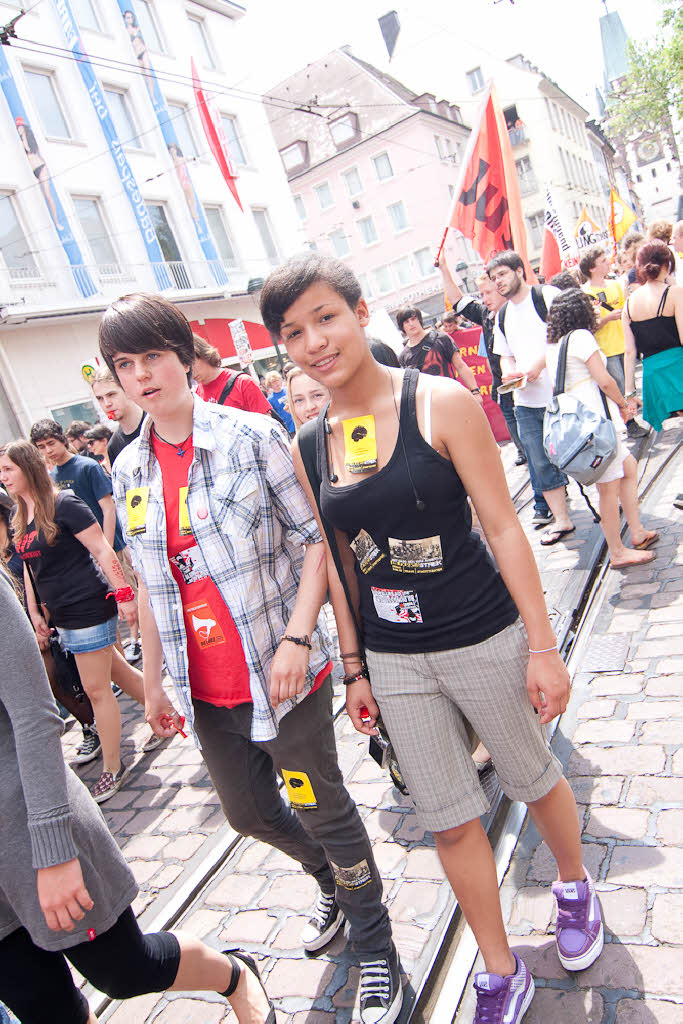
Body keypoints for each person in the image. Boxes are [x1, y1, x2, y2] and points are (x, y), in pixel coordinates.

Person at [260, 253, 603, 1024]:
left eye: (326, 317)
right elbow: (342, 564)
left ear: (358, 311)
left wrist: (542, 647)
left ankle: (574, 885)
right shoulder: (307, 445)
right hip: (393, 657)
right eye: (294, 332)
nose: (315, 341)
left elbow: (503, 527)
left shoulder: (437, 402)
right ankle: (498, 966)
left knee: (530, 775)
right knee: (446, 817)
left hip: (482, 633)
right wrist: (353, 669)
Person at [98, 293, 400, 1024]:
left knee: (322, 806)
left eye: (152, 357)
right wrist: (157, 685)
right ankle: (332, 880)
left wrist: (299, 638)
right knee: (247, 812)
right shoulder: (129, 468)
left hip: (281, 673)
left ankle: (375, 945)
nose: (140, 376)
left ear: (183, 357)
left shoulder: (250, 436)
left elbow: (313, 542)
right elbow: (153, 587)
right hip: (209, 691)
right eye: (123, 365)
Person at [0, 565, 275, 1024]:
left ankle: (234, 974)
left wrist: (52, 851)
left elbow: (34, 716)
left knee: (125, 970)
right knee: (44, 1009)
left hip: (26, 827)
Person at [0, 441, 147, 803]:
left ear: (27, 467)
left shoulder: (64, 504)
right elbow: (32, 571)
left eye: (8, 469)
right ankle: (169, 712)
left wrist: (125, 594)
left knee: (96, 690)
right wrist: (35, 613)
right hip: (61, 614)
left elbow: (101, 549)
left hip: (87, 605)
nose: (2, 477)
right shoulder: (21, 515)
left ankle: (113, 768)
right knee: (117, 672)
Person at [545, 290, 659, 567]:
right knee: (608, 488)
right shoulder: (581, 337)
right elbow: (605, 380)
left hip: (585, 425)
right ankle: (617, 552)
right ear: (580, 311)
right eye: (590, 305)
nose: (595, 310)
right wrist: (623, 403)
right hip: (594, 425)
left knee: (628, 467)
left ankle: (636, 530)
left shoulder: (553, 345)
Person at [29, 417, 142, 666]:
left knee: (130, 596)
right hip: (80, 556)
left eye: (51, 443)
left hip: (107, 546)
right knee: (106, 610)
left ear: (62, 440)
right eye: (41, 447)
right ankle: (121, 658)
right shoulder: (51, 476)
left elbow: (108, 508)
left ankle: (137, 641)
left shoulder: (86, 466)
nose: (48, 451)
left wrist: (108, 546)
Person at [489, 251, 575, 544]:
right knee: (539, 461)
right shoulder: (502, 314)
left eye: (501, 274)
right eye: (492, 278)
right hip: (526, 400)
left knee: (581, 449)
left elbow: (565, 335)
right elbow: (505, 356)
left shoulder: (546, 295)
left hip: (563, 391)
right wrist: (512, 373)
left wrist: (537, 367)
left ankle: (607, 497)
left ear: (518, 270)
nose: (497, 282)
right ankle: (561, 519)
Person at [440, 258, 528, 468]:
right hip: (505, 390)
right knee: (526, 450)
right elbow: (459, 302)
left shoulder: (519, 312)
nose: (484, 298)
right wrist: (444, 268)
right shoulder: (487, 316)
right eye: (482, 295)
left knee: (538, 449)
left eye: (488, 293)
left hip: (528, 390)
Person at [579, 246, 648, 441]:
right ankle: (630, 423)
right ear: (592, 268)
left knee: (629, 384)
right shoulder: (585, 292)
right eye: (602, 261)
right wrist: (607, 318)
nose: (607, 262)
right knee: (618, 386)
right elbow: (588, 326)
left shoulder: (615, 285)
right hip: (605, 348)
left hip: (624, 343)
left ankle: (632, 417)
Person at [622, 240, 683, 432]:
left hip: (654, 376)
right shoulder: (674, 293)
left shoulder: (629, 304)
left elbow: (630, 352)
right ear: (666, 264)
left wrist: (629, 391)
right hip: (678, 368)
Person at [395, 305, 483, 405]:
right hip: (428, 407)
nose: (411, 324)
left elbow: (461, 366)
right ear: (402, 326)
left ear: (419, 320)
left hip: (453, 397)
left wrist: (475, 391)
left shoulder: (441, 338)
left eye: (413, 319)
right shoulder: (403, 356)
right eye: (406, 322)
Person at [192, 335, 274, 417]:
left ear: (201, 353)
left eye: (191, 363)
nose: (190, 371)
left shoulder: (243, 383)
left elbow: (268, 425)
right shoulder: (196, 396)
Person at [91, 368, 146, 470]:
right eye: (100, 398)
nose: (107, 404)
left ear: (127, 390)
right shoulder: (113, 446)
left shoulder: (158, 423)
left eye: (111, 395)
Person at [15, 117, 63, 230]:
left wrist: (24, 137)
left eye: (20, 127)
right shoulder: (20, 140)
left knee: (47, 195)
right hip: (32, 170)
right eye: (18, 128)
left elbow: (31, 149)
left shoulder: (28, 139)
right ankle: (48, 222)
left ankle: (56, 222)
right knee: (38, 197)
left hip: (40, 167)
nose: (19, 129)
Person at [264, 369, 296, 435]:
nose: (277, 383)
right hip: (288, 429)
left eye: (277, 380)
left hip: (297, 422)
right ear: (270, 384)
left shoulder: (288, 389)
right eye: (274, 382)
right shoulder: (270, 400)